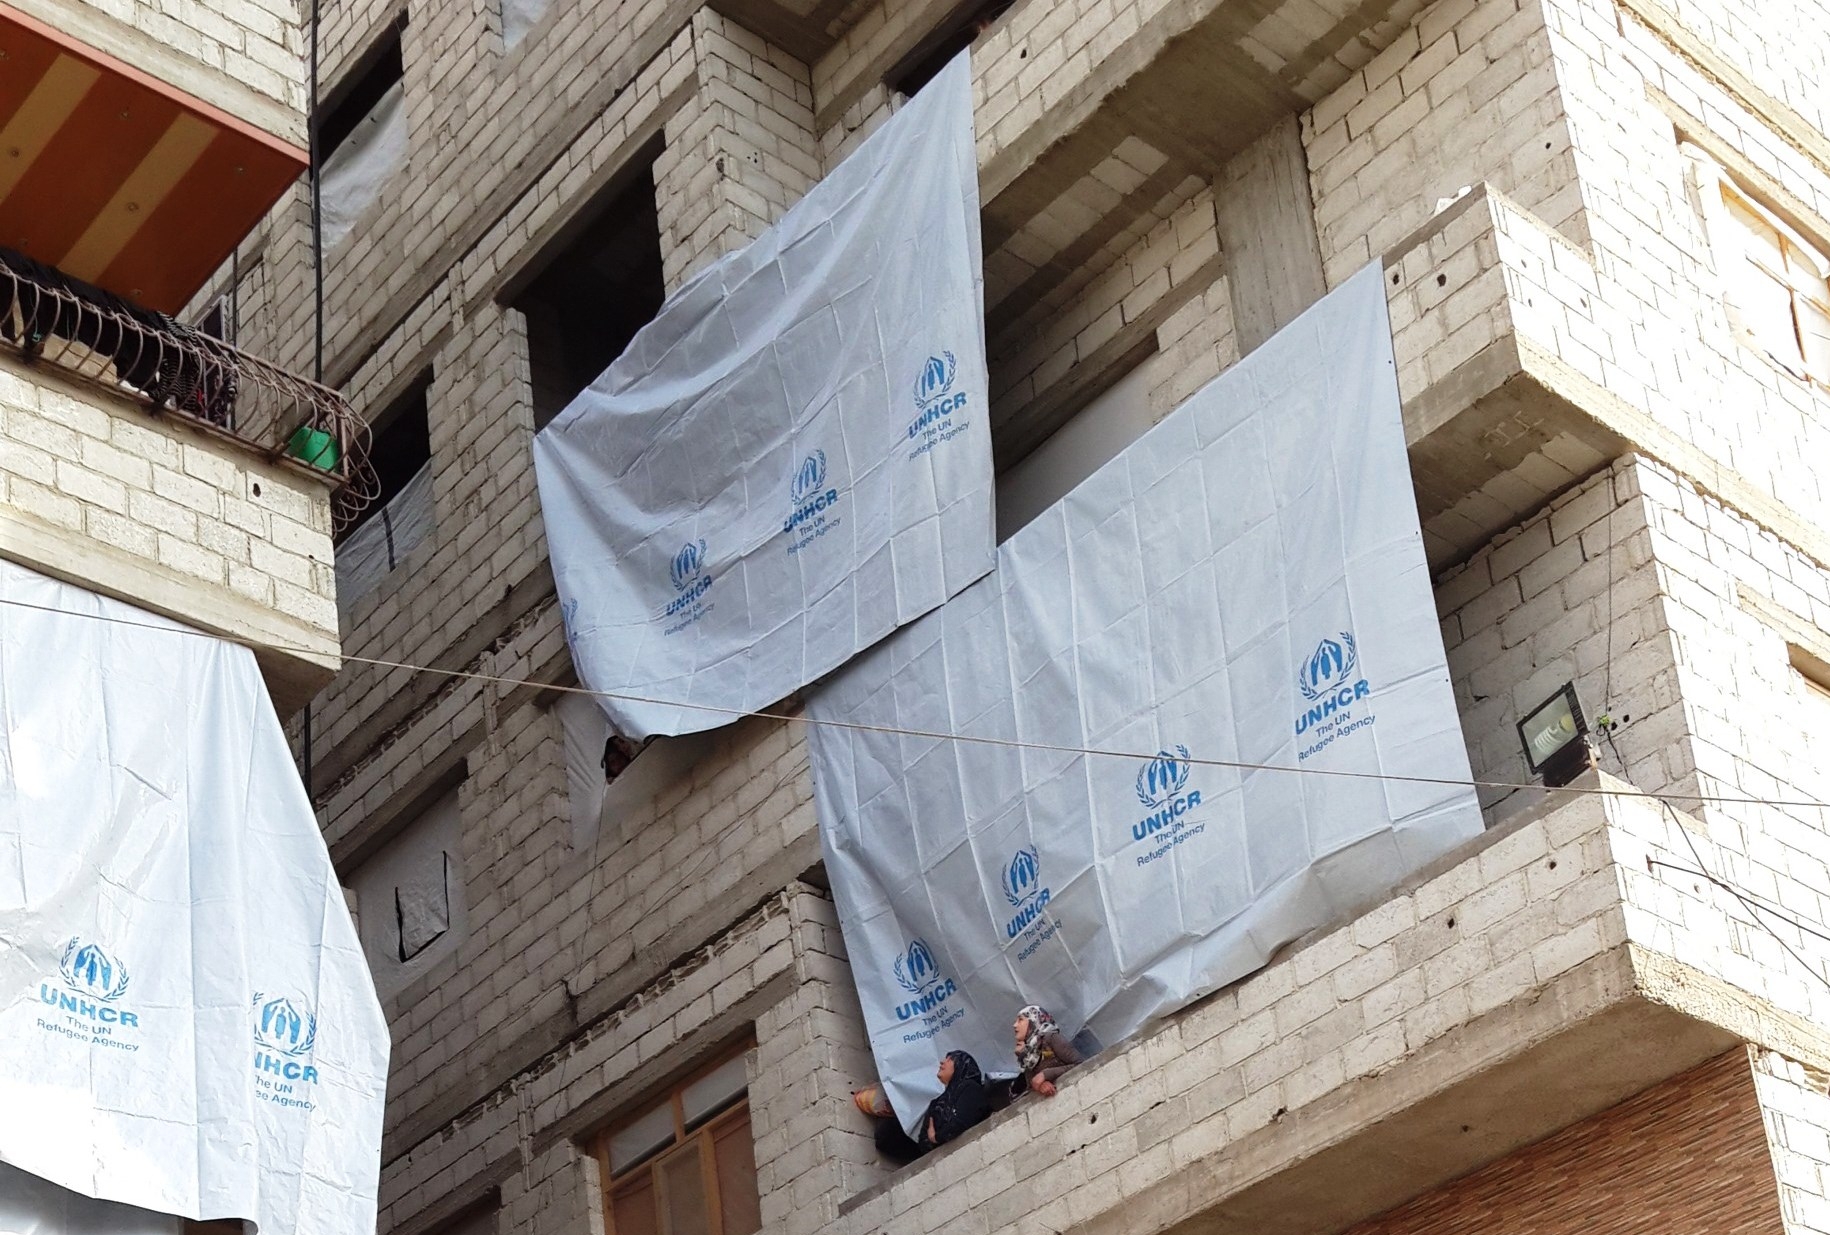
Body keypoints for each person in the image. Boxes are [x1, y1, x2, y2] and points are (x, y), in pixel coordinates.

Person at [857, 1050, 993, 1163]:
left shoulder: (970, 1088)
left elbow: (961, 1121)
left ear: (961, 1065)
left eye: (950, 1059)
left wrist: (936, 1137)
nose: (942, 1062)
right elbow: (924, 1140)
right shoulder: (937, 1102)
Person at [1013, 1004, 1083, 1097]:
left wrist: (1046, 1074)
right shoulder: (1029, 1055)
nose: (1015, 1025)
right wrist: (1041, 1085)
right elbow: (1032, 1085)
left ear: (1033, 1021)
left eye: (1020, 1020)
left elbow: (1081, 1064)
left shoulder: (1051, 1038)